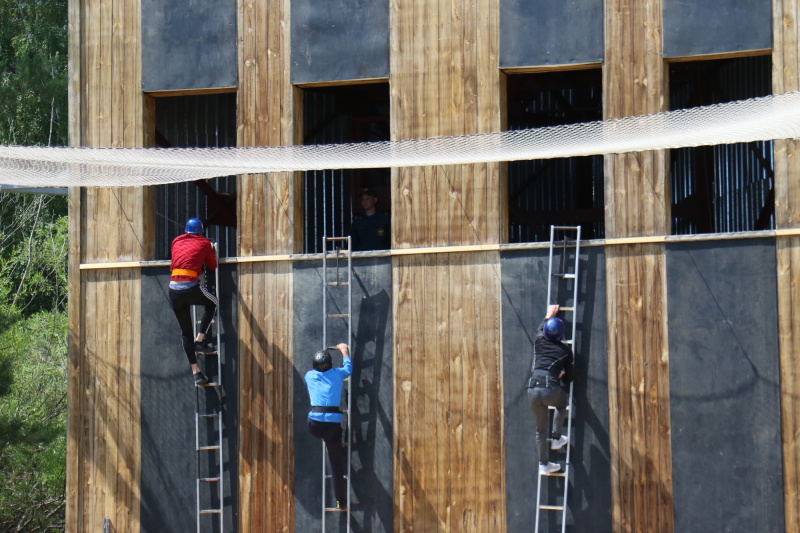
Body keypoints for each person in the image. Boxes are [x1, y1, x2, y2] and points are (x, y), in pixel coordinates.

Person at [169, 217, 218, 387]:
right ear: (200, 232)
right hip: (191, 288)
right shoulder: (204, 243)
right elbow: (213, 266)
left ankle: (196, 372)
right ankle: (200, 341)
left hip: (173, 290)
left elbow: (174, 264)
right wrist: (210, 249)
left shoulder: (176, 241)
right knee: (213, 304)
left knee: (185, 332)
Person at [526, 304, 575, 475]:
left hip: (532, 389)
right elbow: (569, 377)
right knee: (561, 405)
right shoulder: (565, 351)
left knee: (540, 430)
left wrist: (548, 315)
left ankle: (543, 464)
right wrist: (561, 375)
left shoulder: (539, 340)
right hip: (550, 389)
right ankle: (556, 438)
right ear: (560, 334)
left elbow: (540, 328)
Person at [304, 343, 352, 510]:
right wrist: (344, 351)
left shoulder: (309, 376)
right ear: (330, 364)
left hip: (314, 425)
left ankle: (328, 440)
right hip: (332, 426)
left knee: (324, 433)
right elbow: (348, 369)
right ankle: (341, 501)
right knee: (335, 463)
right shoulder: (338, 374)